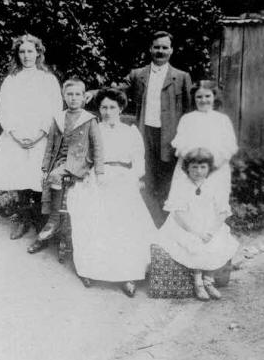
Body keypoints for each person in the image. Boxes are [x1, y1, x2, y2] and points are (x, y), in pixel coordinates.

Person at [68, 88, 157, 297]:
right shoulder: (92, 129)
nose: (108, 112)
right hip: (97, 177)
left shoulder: (130, 132)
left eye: (112, 107)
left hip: (123, 179)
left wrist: (131, 178)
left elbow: (138, 163)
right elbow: (81, 160)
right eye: (104, 107)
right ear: (98, 109)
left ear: (121, 108)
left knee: (126, 219)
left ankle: (128, 274)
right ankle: (91, 269)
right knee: (91, 213)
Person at [91, 31, 192, 200]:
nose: (160, 51)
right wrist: (95, 92)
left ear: (171, 50)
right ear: (150, 49)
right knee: (145, 178)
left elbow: (189, 112)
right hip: (144, 133)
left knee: (167, 181)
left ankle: (164, 221)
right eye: (157, 47)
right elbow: (116, 90)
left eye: (165, 47)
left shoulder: (182, 77)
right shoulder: (138, 75)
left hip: (170, 137)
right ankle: (146, 219)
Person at [0, 34, 63, 239]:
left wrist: (40, 135)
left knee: (37, 178)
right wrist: (15, 134)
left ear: (38, 53)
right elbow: (4, 108)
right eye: (22, 52)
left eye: (30, 51)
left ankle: (39, 219)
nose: (26, 55)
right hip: (16, 137)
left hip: (40, 136)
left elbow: (55, 108)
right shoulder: (11, 80)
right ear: (17, 54)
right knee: (19, 178)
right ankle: (22, 219)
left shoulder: (48, 79)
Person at [27, 77, 104, 254]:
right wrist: (45, 167)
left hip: (79, 162)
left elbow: (98, 146)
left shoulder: (89, 119)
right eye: (69, 94)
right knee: (48, 176)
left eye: (78, 94)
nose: (74, 98)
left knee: (55, 176)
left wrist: (99, 170)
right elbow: (50, 145)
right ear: (64, 96)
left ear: (85, 97)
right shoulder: (59, 118)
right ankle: (49, 225)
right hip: (59, 161)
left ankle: (53, 220)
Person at [155, 148, 239, 301]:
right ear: (187, 167)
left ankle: (209, 281)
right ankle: (198, 282)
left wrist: (211, 231)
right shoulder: (182, 185)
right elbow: (178, 213)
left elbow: (222, 212)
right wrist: (195, 231)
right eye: (194, 167)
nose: (198, 171)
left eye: (203, 167)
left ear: (209, 168)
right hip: (186, 225)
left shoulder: (214, 186)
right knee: (193, 243)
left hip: (210, 225)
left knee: (217, 241)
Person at [170, 80, 238, 199]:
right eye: (199, 97)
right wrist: (191, 164)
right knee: (187, 202)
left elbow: (230, 146)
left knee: (213, 203)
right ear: (194, 98)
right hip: (189, 169)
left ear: (214, 97)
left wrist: (214, 165)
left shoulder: (222, 120)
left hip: (217, 168)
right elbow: (180, 143)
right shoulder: (187, 119)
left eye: (207, 96)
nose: (203, 100)